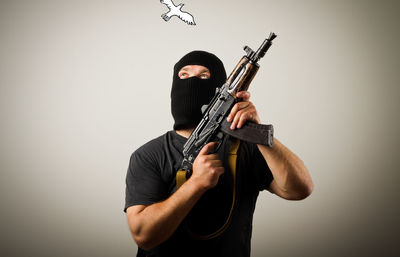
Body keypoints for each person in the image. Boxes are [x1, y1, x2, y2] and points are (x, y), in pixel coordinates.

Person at [124, 50, 314, 257]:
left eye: (204, 75)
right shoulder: (149, 154)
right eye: (184, 75)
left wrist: (260, 135)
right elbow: (143, 235)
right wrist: (197, 182)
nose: (193, 81)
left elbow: (300, 188)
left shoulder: (246, 147)